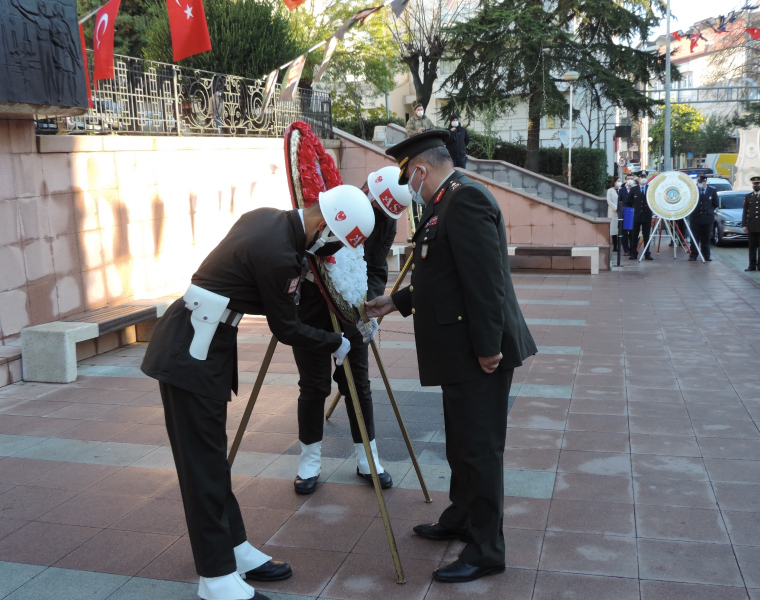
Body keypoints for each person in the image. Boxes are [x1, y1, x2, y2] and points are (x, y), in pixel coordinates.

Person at [140, 186, 375, 600]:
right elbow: (285, 328)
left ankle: (234, 548)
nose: (329, 251)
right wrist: (336, 342)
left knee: (211, 460)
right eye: (333, 242)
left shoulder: (267, 218)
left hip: (201, 341)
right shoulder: (281, 255)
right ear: (323, 226)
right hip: (192, 349)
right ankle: (215, 578)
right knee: (202, 466)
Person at [366, 131, 537, 584]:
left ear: (420, 170)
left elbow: (485, 283)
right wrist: (396, 302)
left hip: (477, 351)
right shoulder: (445, 201)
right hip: (461, 350)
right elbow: (445, 274)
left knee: (480, 451)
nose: (410, 191)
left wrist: (488, 349)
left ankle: (486, 550)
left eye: (409, 181)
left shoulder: (465, 201)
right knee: (461, 445)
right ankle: (461, 517)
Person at [291, 166, 411, 495]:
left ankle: (367, 459)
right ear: (367, 191)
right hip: (310, 309)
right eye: (375, 207)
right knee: (313, 385)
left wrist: (367, 301)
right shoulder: (336, 203)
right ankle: (309, 462)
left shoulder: (386, 222)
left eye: (385, 214)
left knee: (358, 383)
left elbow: (375, 267)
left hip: (352, 312)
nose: (378, 218)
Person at [742, 176, 760, 272]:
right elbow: (745, 211)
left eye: (758, 184)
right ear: (752, 185)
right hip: (751, 225)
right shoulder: (748, 197)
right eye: (755, 184)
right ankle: (752, 265)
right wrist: (744, 224)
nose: (756, 185)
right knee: (752, 247)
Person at [688, 174, 718, 262]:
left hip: (707, 219)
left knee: (706, 238)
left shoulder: (712, 191)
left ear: (705, 182)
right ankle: (693, 254)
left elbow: (715, 203)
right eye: (699, 182)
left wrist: (709, 211)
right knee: (694, 238)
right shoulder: (694, 191)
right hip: (695, 218)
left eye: (701, 182)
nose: (700, 183)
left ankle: (706, 255)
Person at [625, 170, 653, 260]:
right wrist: (634, 208)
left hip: (646, 216)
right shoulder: (634, 189)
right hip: (636, 216)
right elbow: (627, 201)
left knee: (646, 236)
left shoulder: (650, 188)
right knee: (634, 236)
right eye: (641, 177)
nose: (643, 179)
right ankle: (634, 253)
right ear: (638, 178)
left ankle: (647, 253)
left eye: (644, 177)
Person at [617, 175, 635, 255]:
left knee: (633, 233)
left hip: (633, 213)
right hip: (624, 214)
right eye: (628, 179)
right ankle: (626, 250)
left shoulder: (636, 189)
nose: (630, 180)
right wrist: (620, 213)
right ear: (626, 180)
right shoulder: (622, 190)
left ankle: (632, 249)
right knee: (624, 233)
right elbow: (619, 202)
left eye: (631, 179)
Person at [606, 176, 621, 251]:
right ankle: (615, 246)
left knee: (620, 230)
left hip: (621, 212)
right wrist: (616, 208)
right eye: (618, 181)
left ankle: (620, 245)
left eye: (620, 181)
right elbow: (609, 201)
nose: (619, 182)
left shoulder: (622, 190)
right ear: (614, 182)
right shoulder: (610, 191)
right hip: (613, 211)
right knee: (614, 230)